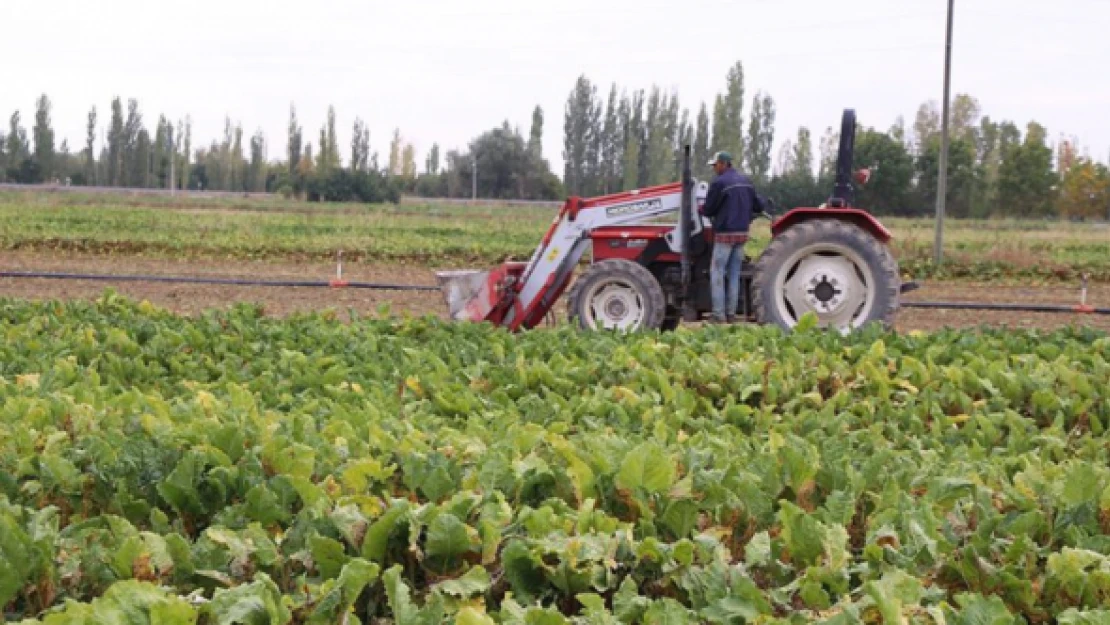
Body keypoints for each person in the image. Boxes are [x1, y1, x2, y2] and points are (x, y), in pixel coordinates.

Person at [700, 151, 765, 323]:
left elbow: (708, 210)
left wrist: (700, 208)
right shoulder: (746, 181)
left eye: (715, 165)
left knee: (717, 272)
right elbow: (759, 206)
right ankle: (731, 314)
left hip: (724, 235)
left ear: (723, 164)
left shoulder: (719, 183)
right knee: (734, 273)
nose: (714, 169)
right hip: (742, 234)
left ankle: (718, 315)